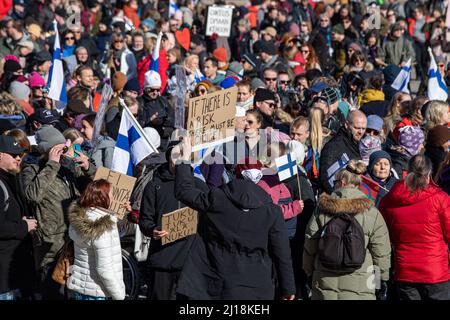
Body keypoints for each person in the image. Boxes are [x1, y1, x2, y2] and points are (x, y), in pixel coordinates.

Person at [173, 136, 296, 300]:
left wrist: (184, 160)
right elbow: (282, 253)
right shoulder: (272, 212)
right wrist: (288, 288)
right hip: (252, 287)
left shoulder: (216, 198)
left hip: (212, 283)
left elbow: (184, 191)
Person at [21, 126, 96, 299]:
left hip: (74, 241)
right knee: (53, 292)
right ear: (46, 150)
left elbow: (95, 188)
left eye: (64, 148)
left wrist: (87, 167)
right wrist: (52, 164)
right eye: (58, 149)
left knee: (74, 293)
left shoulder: (68, 166)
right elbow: (33, 195)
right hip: (50, 245)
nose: (63, 152)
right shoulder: (31, 170)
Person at [303, 160, 391, 300]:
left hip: (325, 283)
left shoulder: (321, 210)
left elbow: (310, 244)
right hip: (361, 287)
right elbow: (380, 254)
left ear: (342, 182)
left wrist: (309, 273)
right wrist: (380, 282)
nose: (334, 185)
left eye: (335, 182)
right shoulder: (372, 213)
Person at [139, 142, 208, 300]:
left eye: (183, 156)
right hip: (163, 260)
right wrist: (152, 230)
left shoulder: (200, 186)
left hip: (190, 262)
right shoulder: (154, 186)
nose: (179, 160)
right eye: (175, 155)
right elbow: (145, 219)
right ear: (168, 157)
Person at [379, 155, 450, 300]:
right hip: (435, 270)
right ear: (429, 173)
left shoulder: (389, 200)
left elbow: (385, 235)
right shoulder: (441, 199)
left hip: (405, 269)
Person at [67, 179, 126, 300]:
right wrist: (119, 295)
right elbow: (104, 269)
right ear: (103, 197)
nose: (113, 198)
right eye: (111, 195)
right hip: (98, 292)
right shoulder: (102, 227)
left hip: (80, 290)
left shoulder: (80, 218)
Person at [0, 135, 37, 300]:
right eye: (13, 154)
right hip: (4, 280)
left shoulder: (11, 179)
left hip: (16, 272)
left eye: (19, 154)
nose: (18, 158)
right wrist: (24, 226)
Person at [320, 110, 367, 194]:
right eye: (357, 128)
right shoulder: (334, 146)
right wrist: (338, 197)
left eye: (363, 128)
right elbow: (326, 177)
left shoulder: (361, 144)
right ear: (346, 125)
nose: (360, 132)